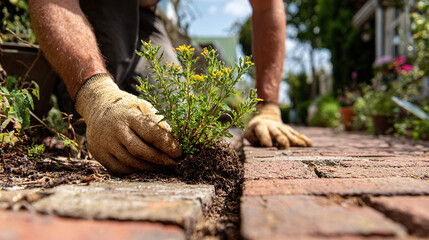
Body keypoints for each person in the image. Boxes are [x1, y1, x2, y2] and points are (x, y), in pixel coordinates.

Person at [28, 0, 312, 174]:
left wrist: (269, 107)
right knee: (122, 129)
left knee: (174, 124)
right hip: (94, 6)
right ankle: (72, 100)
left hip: (146, 15)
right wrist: (96, 95)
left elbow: (267, 6)